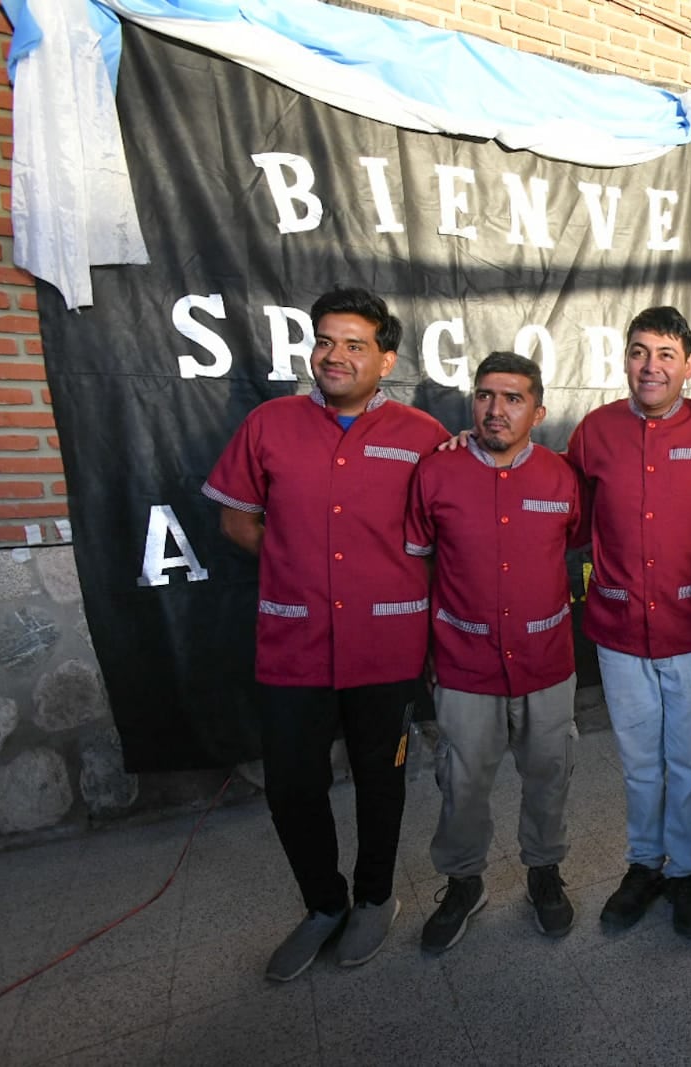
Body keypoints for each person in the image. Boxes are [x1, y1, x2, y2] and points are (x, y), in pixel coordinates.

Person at [203, 287, 449, 980]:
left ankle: (374, 897)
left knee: (382, 778)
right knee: (292, 785)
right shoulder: (269, 423)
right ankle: (323, 905)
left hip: (387, 647)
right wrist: (299, 565)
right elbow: (237, 523)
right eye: (325, 341)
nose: (335, 355)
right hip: (296, 644)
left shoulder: (423, 435)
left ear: (387, 358)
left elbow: (448, 521)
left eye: (355, 344)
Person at [565, 306, 691, 938]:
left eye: (666, 354)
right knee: (640, 761)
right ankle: (644, 865)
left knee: (689, 760)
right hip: (617, 632)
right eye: (640, 352)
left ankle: (685, 873)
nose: (651, 366)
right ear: (626, 360)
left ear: (689, 365)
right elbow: (564, 510)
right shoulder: (594, 430)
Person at [405, 353, 581, 952]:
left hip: (546, 662)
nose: (495, 409)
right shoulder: (437, 473)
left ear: (539, 410)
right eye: (484, 396)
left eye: (512, 398)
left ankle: (543, 871)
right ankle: (463, 883)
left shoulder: (562, 477)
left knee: (549, 773)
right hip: (464, 664)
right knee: (462, 779)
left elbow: (576, 544)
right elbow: (417, 560)